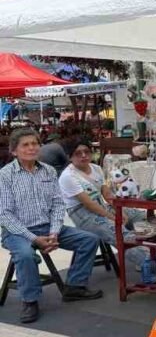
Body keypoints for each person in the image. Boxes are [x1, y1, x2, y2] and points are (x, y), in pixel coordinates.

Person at [0, 127, 103, 324]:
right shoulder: (5, 176)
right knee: (25, 254)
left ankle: (75, 286)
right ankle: (30, 300)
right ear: (14, 151)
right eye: (25, 145)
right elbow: (4, 214)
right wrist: (34, 238)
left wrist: (54, 232)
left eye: (34, 144)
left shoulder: (47, 170)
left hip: (48, 227)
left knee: (89, 239)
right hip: (17, 232)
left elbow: (57, 204)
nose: (32, 148)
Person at [58, 139, 156, 272]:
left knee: (143, 218)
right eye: (78, 153)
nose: (83, 156)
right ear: (69, 156)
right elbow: (88, 204)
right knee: (119, 232)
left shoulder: (96, 168)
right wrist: (113, 217)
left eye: (86, 152)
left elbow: (107, 194)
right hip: (84, 215)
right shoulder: (68, 176)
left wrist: (120, 210)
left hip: (102, 207)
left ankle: (148, 258)